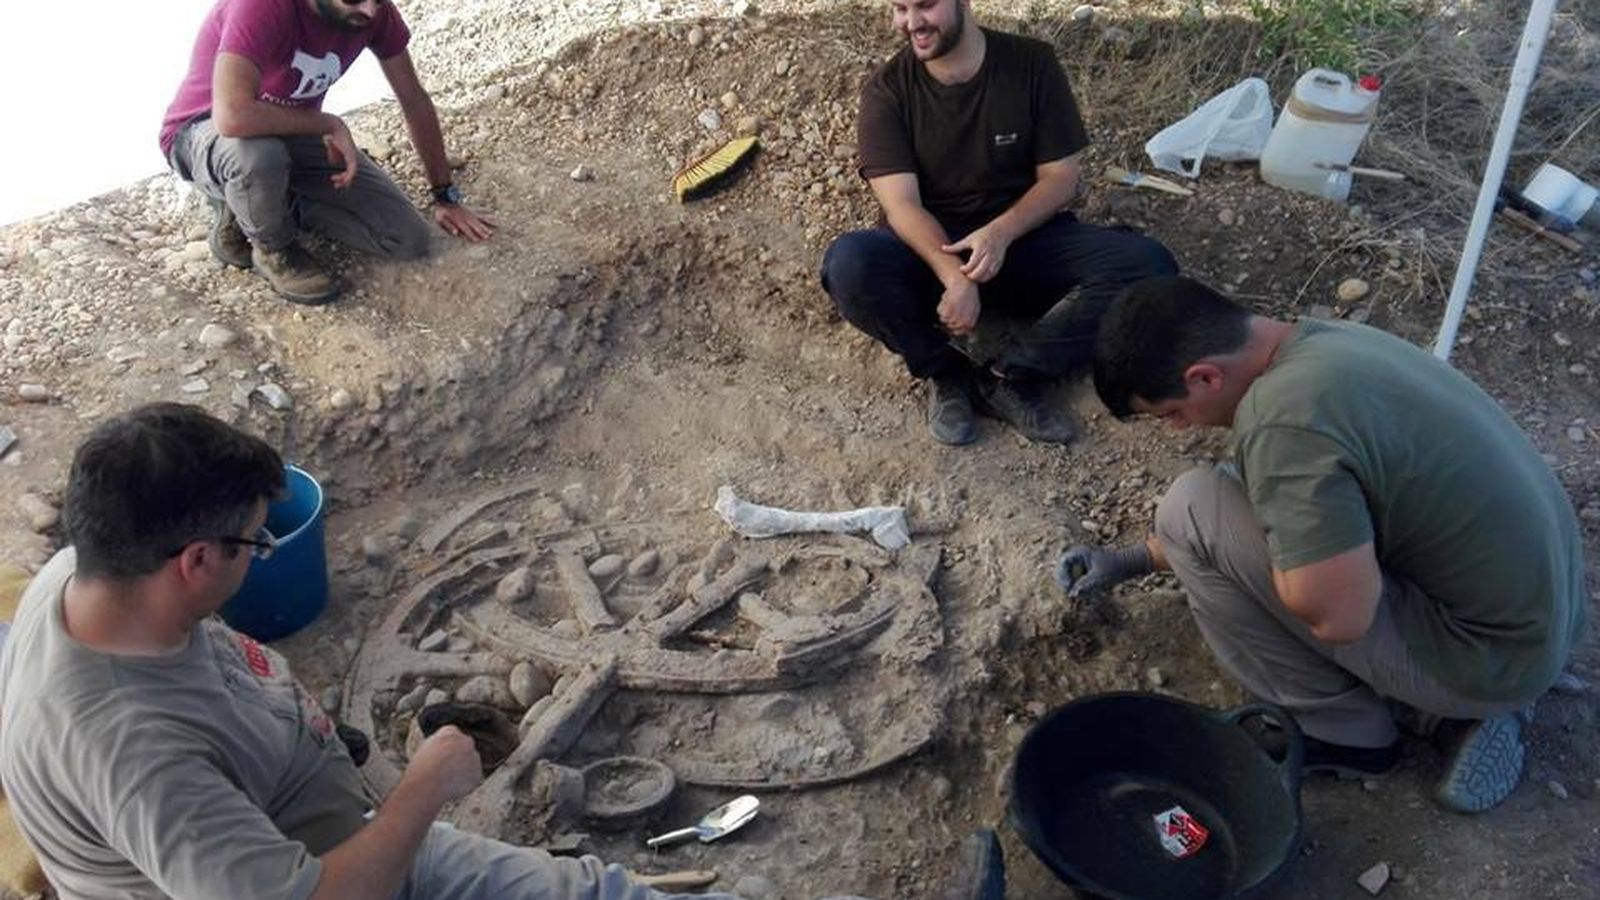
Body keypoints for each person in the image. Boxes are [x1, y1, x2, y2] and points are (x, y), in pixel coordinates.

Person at [0, 404, 1003, 900]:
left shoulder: (89, 579)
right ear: (193, 559)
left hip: (304, 822)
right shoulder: (135, 756)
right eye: (254, 547)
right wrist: (424, 787)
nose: (262, 562)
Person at [1061, 276, 1588, 812]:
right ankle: (1434, 706)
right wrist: (1139, 558)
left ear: (1204, 376)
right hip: (1544, 620)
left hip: (1489, 660)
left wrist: (1280, 567)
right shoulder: (1320, 343)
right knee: (1232, 493)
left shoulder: (1283, 422)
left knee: (1190, 504)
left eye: (1171, 412)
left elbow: (1339, 619)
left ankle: (1345, 729)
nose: (1178, 429)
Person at [820, 0, 1178, 446]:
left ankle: (1011, 375)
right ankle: (947, 373)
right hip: (931, 253)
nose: (912, 23)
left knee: (1149, 266)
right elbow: (902, 207)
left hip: (1024, 242)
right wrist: (956, 278)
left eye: (926, 5)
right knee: (848, 264)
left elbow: (1060, 178)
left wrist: (1001, 232)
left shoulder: (1032, 64)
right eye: (900, 8)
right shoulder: (887, 90)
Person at [159, 0, 495, 305]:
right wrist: (330, 124)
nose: (369, 12)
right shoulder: (262, 6)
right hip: (203, 130)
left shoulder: (372, 12)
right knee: (259, 158)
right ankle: (273, 248)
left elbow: (413, 98)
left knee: (406, 238)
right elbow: (232, 116)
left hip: (287, 130)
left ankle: (261, 203)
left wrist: (445, 195)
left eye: (378, 1)